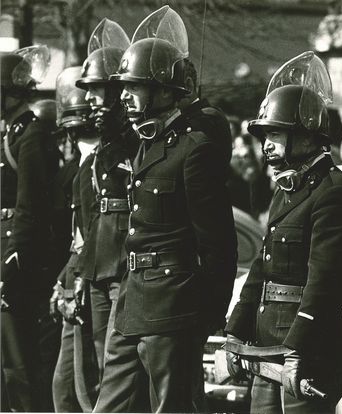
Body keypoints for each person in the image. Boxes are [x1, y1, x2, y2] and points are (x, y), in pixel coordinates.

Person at [92, 7, 237, 412]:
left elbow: (218, 244)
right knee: (110, 406)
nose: (123, 96)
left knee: (172, 407)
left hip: (174, 305)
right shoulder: (147, 144)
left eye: (133, 87)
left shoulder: (194, 149)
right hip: (133, 300)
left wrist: (210, 312)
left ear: (162, 90)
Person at [224, 51, 342, 414]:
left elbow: (326, 284)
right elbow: (263, 265)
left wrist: (296, 348)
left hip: (308, 353)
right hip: (267, 345)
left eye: (276, 134)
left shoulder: (332, 192)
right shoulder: (288, 190)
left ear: (306, 137)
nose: (266, 144)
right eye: (265, 135)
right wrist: (236, 329)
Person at [74, 20, 137, 395]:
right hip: (98, 268)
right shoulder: (99, 155)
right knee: (98, 362)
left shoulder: (137, 146)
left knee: (118, 365)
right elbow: (89, 216)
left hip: (124, 271)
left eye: (99, 92)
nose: (91, 101)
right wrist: (82, 271)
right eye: (90, 93)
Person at [0, 46, 62, 412]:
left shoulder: (32, 135)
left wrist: (12, 261)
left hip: (14, 255)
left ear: (12, 94)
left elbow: (29, 207)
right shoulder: (14, 133)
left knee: (17, 360)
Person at [50, 65, 101, 412]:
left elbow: (93, 233)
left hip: (88, 283)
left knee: (84, 390)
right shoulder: (86, 164)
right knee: (67, 388)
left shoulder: (96, 163)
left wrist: (76, 277)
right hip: (76, 279)